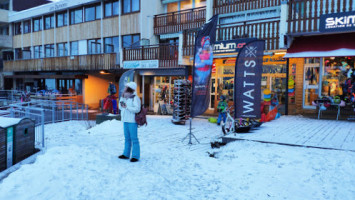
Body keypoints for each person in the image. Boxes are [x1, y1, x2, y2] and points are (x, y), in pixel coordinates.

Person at [118, 82, 141, 162]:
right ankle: (126, 154)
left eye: (126, 87)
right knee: (127, 138)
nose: (124, 88)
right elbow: (120, 107)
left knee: (134, 138)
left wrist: (127, 107)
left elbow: (137, 109)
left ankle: (135, 156)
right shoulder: (123, 97)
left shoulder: (135, 98)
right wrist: (122, 104)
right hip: (125, 120)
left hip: (132, 121)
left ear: (130, 88)